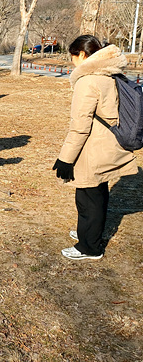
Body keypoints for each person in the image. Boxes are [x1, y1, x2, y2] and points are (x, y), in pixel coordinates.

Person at [53, 35, 138, 260]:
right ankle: (89, 233)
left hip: (93, 148)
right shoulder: (109, 74)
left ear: (81, 54)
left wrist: (65, 159)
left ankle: (89, 247)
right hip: (109, 144)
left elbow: (80, 127)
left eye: (72, 56)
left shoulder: (87, 81)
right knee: (99, 193)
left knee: (87, 197)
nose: (71, 61)